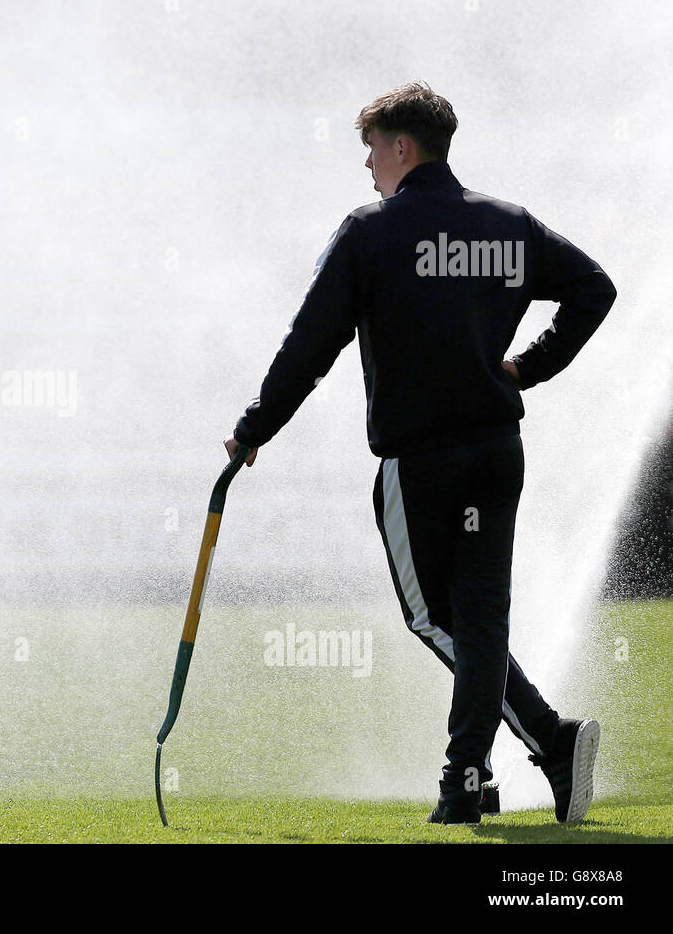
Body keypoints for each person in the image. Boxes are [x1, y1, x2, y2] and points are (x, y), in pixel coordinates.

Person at [222, 81, 616, 825]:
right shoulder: (507, 225)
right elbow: (595, 289)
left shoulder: (369, 233)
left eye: (371, 149)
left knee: (438, 620)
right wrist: (526, 368)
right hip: (499, 451)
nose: (367, 166)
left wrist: (254, 428)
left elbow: (311, 346)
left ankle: (498, 760)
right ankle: (481, 773)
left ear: (402, 146)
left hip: (422, 463)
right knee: (479, 616)